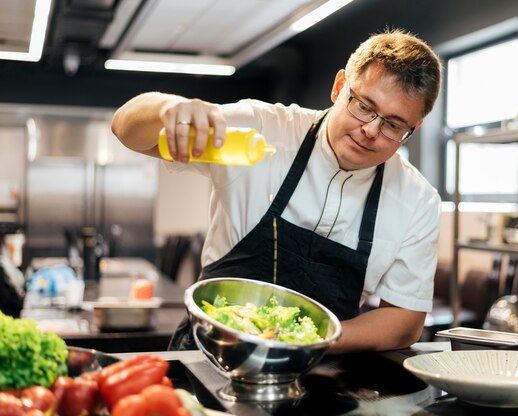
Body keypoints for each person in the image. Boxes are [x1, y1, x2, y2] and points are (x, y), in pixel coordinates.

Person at [111, 28, 442, 353]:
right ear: (339, 86)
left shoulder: (417, 201)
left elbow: (406, 320)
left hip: (321, 370)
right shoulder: (262, 128)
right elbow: (125, 127)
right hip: (212, 353)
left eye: (394, 125)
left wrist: (308, 342)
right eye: (364, 106)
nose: (371, 130)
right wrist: (167, 109)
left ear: (414, 127)